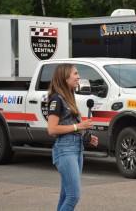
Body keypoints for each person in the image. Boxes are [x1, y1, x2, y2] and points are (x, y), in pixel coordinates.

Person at [47, 63, 98, 211]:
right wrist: (79, 126)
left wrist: (85, 135)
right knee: (73, 196)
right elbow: (52, 129)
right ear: (65, 77)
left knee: (65, 195)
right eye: (75, 74)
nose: (79, 77)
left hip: (76, 147)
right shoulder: (56, 99)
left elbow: (71, 125)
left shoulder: (68, 97)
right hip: (65, 149)